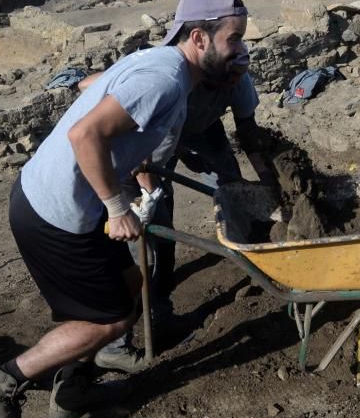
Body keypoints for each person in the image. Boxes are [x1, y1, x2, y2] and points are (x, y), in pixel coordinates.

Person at [0, 0, 250, 418]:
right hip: (56, 213)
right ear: (199, 37)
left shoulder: (160, 65)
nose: (240, 51)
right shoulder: (165, 81)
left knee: (130, 285)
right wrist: (116, 207)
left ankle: (75, 389)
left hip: (59, 201)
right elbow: (84, 133)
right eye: (233, 40)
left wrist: (138, 171)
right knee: (109, 321)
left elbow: (101, 95)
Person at [77, 51, 275, 373]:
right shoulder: (166, 82)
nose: (231, 85)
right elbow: (88, 86)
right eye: (222, 81)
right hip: (124, 165)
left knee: (166, 242)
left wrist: (269, 181)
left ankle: (161, 315)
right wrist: (148, 186)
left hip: (193, 131)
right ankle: (115, 345)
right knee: (143, 254)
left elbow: (248, 130)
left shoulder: (237, 80)